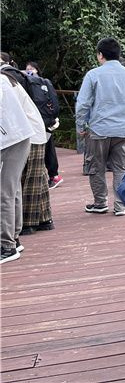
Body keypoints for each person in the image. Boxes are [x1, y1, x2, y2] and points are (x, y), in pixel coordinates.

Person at [75, 38, 125, 216]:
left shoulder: (93, 75)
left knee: (96, 167)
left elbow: (82, 104)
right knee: (122, 167)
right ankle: (120, 206)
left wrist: (81, 126)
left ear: (100, 55)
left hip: (99, 130)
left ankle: (100, 202)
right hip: (124, 129)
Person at [0, 56, 45, 263]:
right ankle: (15, 238)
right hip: (23, 135)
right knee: (13, 188)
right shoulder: (7, 77)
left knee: (5, 192)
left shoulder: (3, 80)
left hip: (14, 138)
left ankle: (6, 246)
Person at [25, 62, 63, 189]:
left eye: (32, 69)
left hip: (37, 121)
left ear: (37, 70)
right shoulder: (45, 82)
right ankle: (54, 175)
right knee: (48, 147)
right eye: (28, 69)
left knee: (45, 149)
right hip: (46, 120)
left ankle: (50, 176)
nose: (29, 71)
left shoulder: (28, 84)